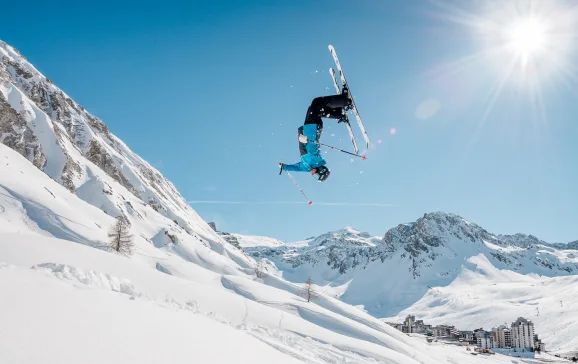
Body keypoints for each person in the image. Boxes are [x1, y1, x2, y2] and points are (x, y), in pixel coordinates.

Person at [279, 87, 352, 182]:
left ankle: (340, 113)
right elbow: (313, 146)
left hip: (307, 129)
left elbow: (296, 168)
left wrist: (284, 167)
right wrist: (307, 140)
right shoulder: (316, 160)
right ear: (320, 171)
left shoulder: (306, 167)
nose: (313, 175)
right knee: (317, 103)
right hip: (312, 129)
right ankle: (345, 101)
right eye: (316, 176)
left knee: (316, 108)